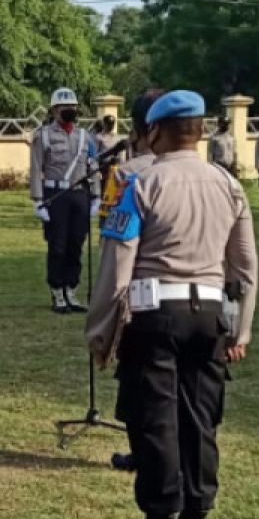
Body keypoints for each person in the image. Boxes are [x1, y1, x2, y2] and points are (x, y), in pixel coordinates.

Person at [86, 89, 258, 519]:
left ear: (155, 131)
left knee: (156, 419)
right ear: (200, 131)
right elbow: (244, 268)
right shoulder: (228, 184)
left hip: (154, 313)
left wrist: (101, 330)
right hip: (209, 316)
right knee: (201, 418)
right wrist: (238, 329)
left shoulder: (137, 184)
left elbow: (118, 263)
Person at [97, 88, 165, 474]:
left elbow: (112, 233)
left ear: (139, 130)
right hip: (202, 308)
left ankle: (143, 454)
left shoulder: (126, 175)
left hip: (140, 300)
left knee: (137, 386)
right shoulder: (215, 177)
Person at [30, 87, 99, 313]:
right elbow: (35, 168)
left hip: (80, 194)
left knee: (76, 244)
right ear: (54, 110)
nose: (68, 111)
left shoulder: (85, 137)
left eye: (72, 107)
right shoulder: (43, 135)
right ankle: (57, 290)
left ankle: (71, 289)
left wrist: (96, 196)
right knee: (57, 245)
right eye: (63, 108)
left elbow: (93, 166)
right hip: (55, 195)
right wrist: (38, 200)